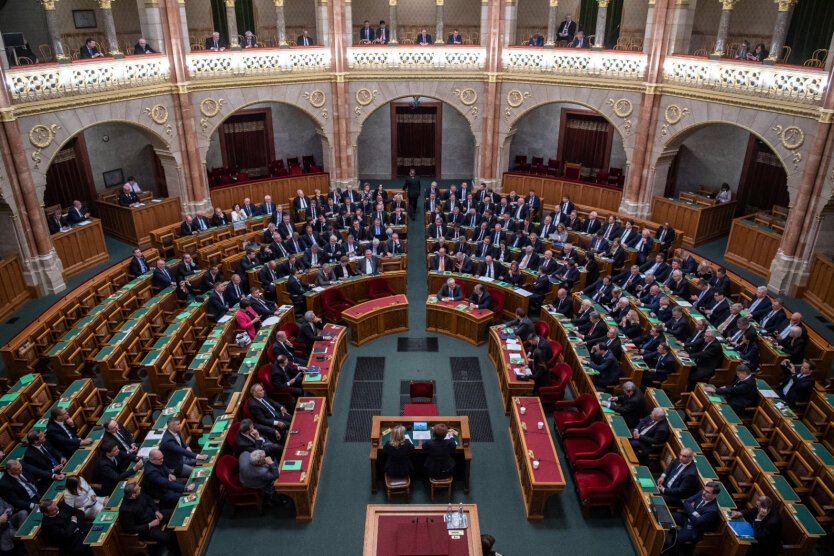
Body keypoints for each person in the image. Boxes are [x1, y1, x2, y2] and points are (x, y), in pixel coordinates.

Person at [119, 482, 181, 555]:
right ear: (133, 495)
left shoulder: (139, 493)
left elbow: (149, 500)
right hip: (146, 529)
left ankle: (181, 537)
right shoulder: (125, 510)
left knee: (175, 513)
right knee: (167, 537)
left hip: (155, 516)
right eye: (138, 489)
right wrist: (150, 525)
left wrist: (156, 511)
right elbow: (130, 529)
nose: (140, 488)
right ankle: (178, 552)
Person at [668, 483, 721, 552]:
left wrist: (690, 509)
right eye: (704, 489)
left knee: (677, 539)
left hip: (694, 527)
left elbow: (697, 522)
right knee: (668, 516)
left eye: (707, 492)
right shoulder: (701, 493)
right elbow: (686, 502)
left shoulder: (712, 510)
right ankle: (670, 533)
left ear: (714, 495)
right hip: (686, 517)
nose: (704, 493)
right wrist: (694, 513)